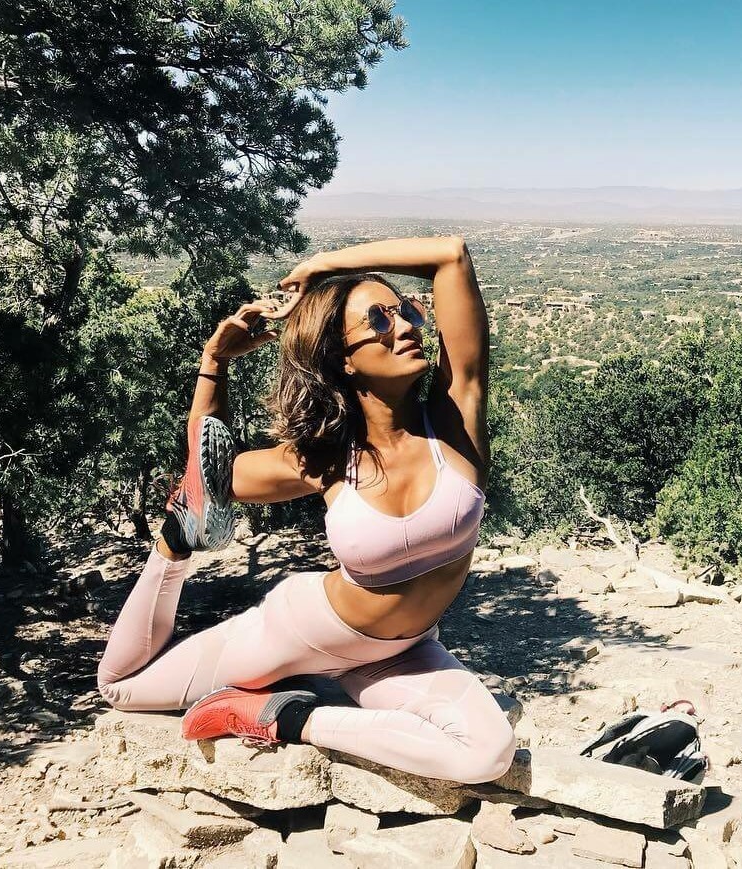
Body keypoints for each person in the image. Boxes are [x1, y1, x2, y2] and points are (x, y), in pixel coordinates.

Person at [96, 237, 517, 785]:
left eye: (407, 311)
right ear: (344, 359)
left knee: (486, 754)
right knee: (121, 688)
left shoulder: (456, 419)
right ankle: (174, 547)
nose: (406, 326)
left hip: (402, 653)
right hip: (303, 633)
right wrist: (214, 363)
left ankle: (285, 717)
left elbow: (451, 255)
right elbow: (209, 477)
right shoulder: (323, 460)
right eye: (379, 320)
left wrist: (323, 264)